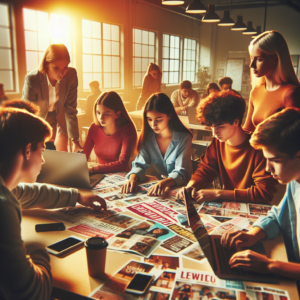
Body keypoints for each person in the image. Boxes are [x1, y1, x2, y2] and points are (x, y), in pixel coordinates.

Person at [0, 107, 106, 299]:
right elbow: (33, 293)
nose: (42, 160)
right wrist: (37, 250)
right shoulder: (4, 206)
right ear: (27, 150)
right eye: (42, 150)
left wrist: (77, 196)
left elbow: (27, 192)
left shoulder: (6, 189)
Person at [221, 108, 300, 293]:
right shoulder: (295, 181)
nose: (268, 168)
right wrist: (253, 235)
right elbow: (277, 215)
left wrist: (271, 266)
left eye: (275, 160)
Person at [177, 91, 278, 203]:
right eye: (212, 127)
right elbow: (205, 170)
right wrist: (192, 185)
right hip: (228, 206)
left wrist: (219, 193)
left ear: (236, 121)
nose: (215, 133)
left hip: (254, 208)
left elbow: (264, 193)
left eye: (220, 127)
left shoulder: (258, 148)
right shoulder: (218, 143)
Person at [121, 93, 193, 196]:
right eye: (149, 119)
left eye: (158, 120)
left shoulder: (184, 137)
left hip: (183, 188)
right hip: (163, 188)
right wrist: (132, 179)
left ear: (170, 115)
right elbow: (140, 163)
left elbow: (181, 171)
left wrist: (164, 182)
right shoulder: (148, 137)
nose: (153, 125)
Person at [22, 44, 81, 152]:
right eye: (56, 68)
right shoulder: (32, 79)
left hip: (59, 115)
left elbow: (70, 109)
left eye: (65, 67)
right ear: (46, 64)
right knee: (42, 152)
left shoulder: (71, 75)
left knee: (62, 154)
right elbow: (28, 113)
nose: (62, 73)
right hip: (38, 117)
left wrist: (75, 141)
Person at [243, 30, 300, 134]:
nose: (252, 65)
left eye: (259, 59)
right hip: (257, 149)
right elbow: (248, 130)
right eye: (252, 58)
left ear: (276, 59)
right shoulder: (256, 91)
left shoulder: (290, 93)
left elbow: (293, 138)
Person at [83, 91, 137, 173]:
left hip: (121, 176)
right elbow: (84, 156)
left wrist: (94, 169)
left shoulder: (127, 128)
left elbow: (122, 164)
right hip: (100, 175)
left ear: (117, 114)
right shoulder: (94, 128)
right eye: (98, 113)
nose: (101, 118)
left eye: (107, 113)